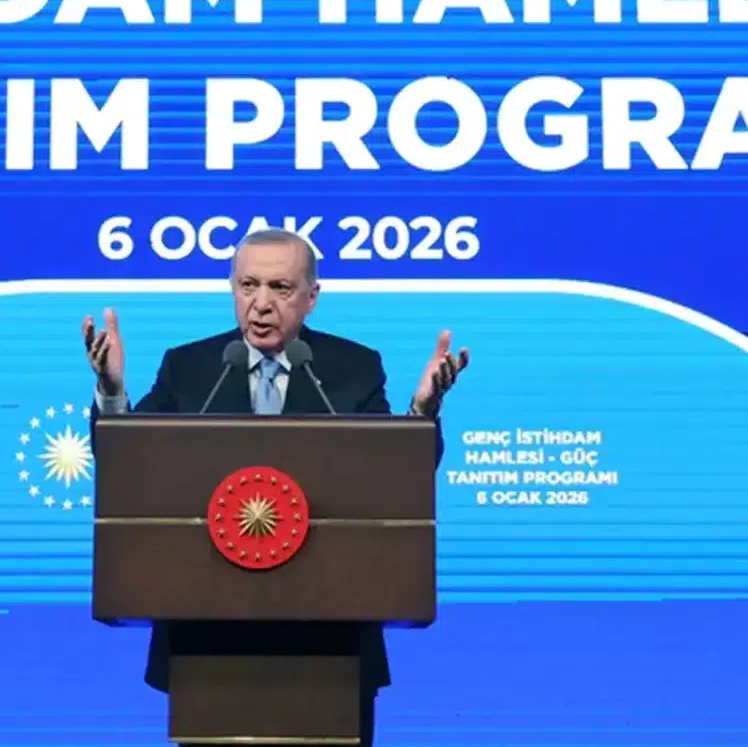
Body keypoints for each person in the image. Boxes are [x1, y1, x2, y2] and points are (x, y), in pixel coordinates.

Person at [80, 228, 469, 746]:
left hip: (332, 638)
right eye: (248, 285)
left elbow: (395, 481)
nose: (261, 304)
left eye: (280, 288)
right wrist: (111, 394)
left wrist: (422, 412)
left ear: (312, 297)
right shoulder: (189, 367)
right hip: (206, 638)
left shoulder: (353, 368)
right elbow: (129, 468)